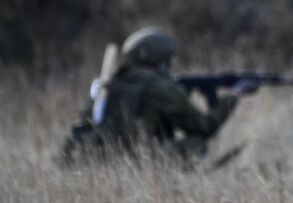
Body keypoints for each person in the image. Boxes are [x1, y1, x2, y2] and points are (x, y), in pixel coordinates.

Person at [60, 27, 246, 164]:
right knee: (196, 145)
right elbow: (205, 127)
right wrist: (234, 96)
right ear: (158, 59)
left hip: (96, 160)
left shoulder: (106, 83)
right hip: (138, 162)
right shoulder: (159, 88)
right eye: (168, 60)